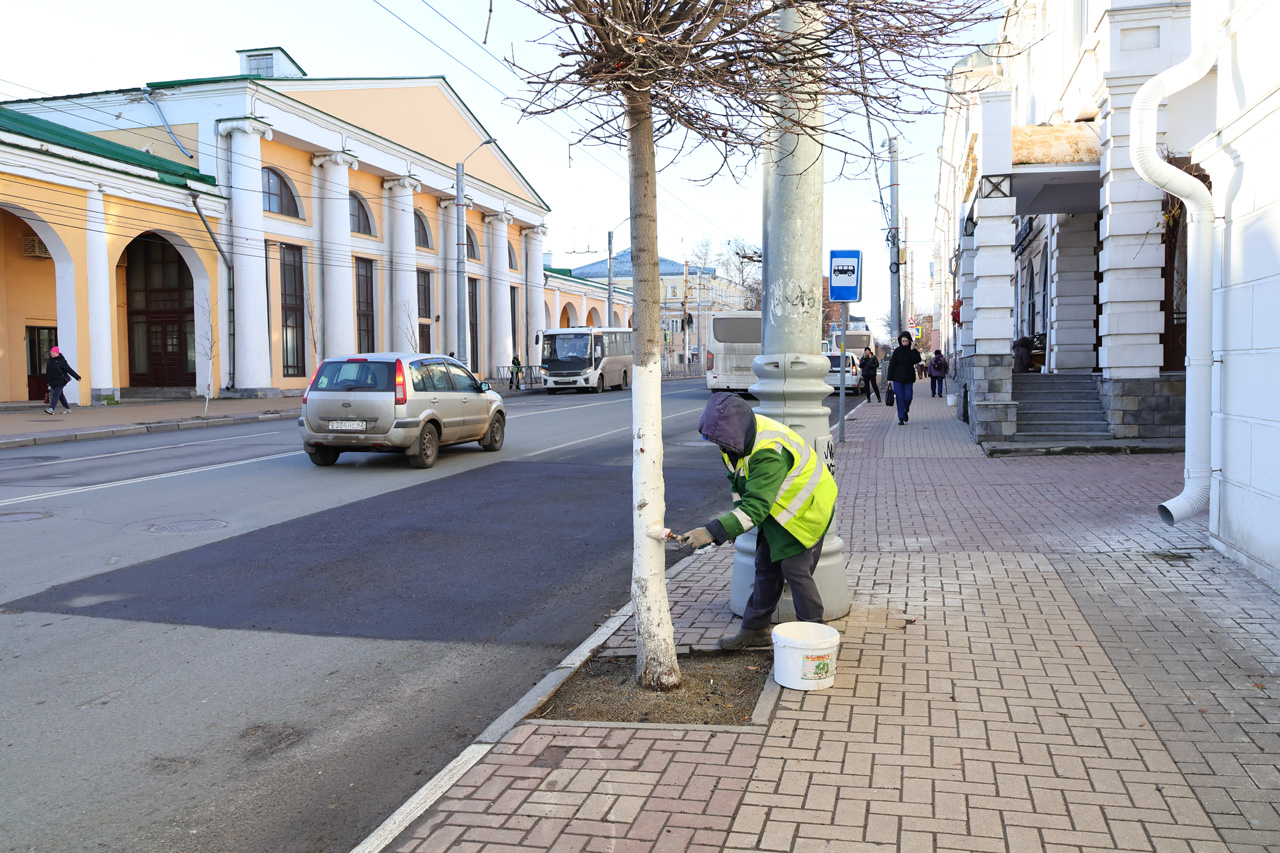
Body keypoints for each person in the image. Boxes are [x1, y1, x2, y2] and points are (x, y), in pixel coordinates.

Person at [677, 393, 838, 650]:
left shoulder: (768, 452)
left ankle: (815, 636)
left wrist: (712, 531)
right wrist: (733, 527)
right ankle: (754, 630)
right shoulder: (734, 441)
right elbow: (741, 488)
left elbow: (756, 507)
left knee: (795, 571)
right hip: (779, 510)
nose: (721, 448)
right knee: (765, 566)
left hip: (807, 511)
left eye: (723, 444)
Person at [886, 331, 922, 425]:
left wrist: (913, 349)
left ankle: (905, 410)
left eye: (907, 341)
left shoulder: (912, 350)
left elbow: (917, 360)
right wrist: (889, 379)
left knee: (908, 397)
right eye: (903, 341)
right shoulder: (897, 351)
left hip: (908, 378)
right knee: (900, 397)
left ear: (909, 341)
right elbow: (892, 365)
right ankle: (900, 417)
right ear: (900, 341)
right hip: (897, 379)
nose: (905, 343)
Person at [44, 345, 80, 415]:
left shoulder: (62, 361)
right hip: (52, 381)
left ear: (57, 353)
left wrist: (77, 377)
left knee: (55, 394)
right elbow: (48, 372)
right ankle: (67, 408)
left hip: (60, 381)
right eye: (51, 353)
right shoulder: (49, 361)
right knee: (60, 395)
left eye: (53, 352)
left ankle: (51, 409)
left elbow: (69, 370)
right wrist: (47, 381)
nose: (52, 354)